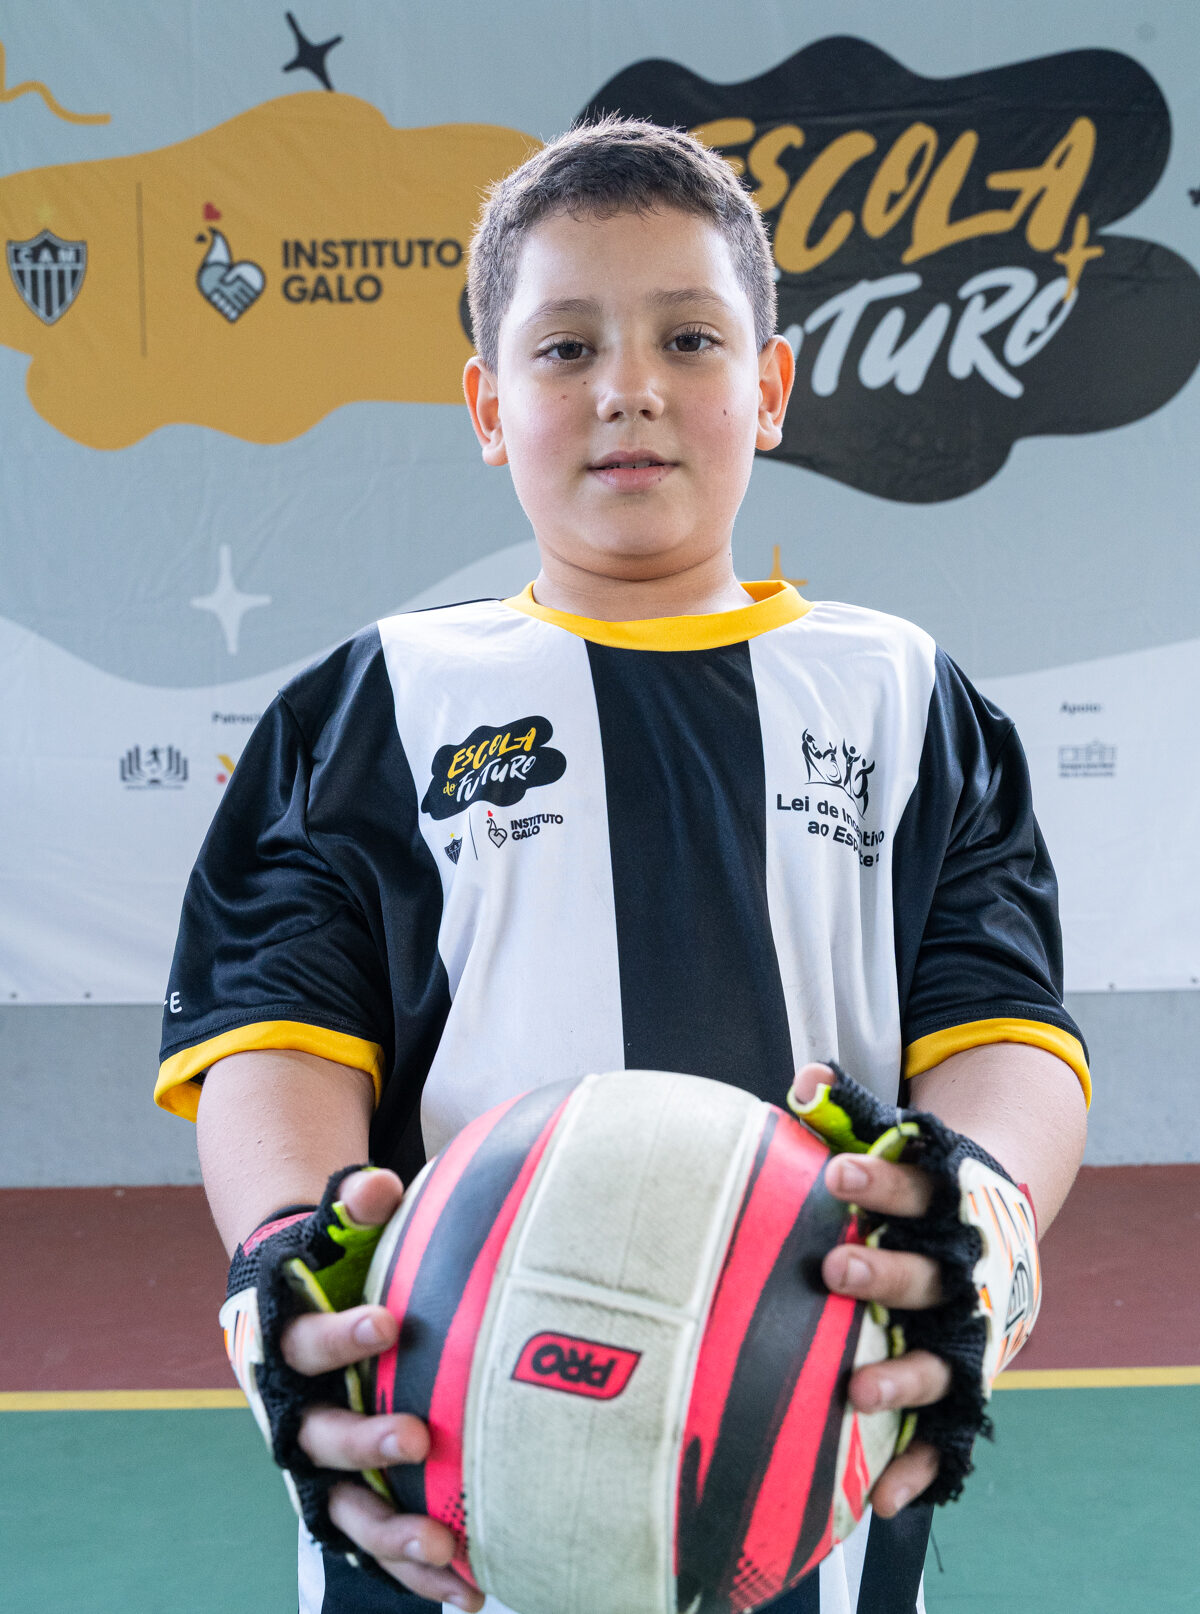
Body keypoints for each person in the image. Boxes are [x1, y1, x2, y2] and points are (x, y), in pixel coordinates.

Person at [156, 117, 1090, 1614]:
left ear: (771, 388)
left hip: (807, 1440)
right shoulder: (370, 707)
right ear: (485, 403)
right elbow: (277, 1044)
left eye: (692, 337)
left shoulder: (912, 700)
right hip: (445, 1474)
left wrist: (978, 1214)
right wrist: (292, 1250)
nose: (630, 388)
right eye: (566, 347)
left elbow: (1004, 1040)